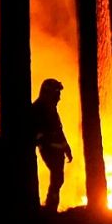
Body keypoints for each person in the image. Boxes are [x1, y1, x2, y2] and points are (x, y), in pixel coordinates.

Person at [30, 78, 73, 211]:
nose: (59, 98)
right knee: (57, 178)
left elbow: (59, 130)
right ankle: (50, 208)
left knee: (58, 179)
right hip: (49, 150)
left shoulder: (51, 109)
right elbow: (38, 134)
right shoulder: (38, 110)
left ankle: (51, 207)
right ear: (49, 93)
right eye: (57, 94)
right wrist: (48, 143)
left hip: (56, 150)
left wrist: (66, 148)